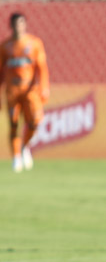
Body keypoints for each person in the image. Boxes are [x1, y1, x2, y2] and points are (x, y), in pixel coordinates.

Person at [1, 12, 49, 173]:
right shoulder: (5, 46)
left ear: (25, 25)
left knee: (35, 121)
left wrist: (44, 87)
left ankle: (25, 145)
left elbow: (41, 68)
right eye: (15, 24)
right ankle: (16, 157)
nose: (18, 27)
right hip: (12, 91)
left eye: (21, 23)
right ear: (11, 26)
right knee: (14, 124)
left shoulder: (34, 43)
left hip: (30, 90)